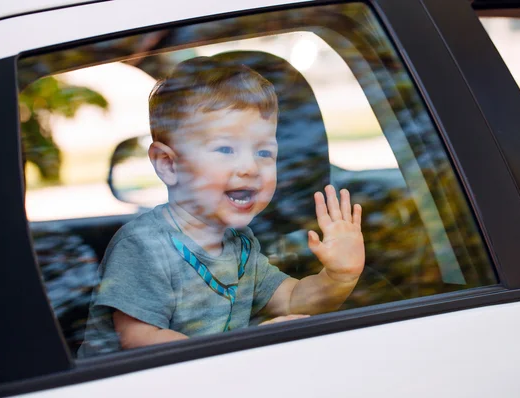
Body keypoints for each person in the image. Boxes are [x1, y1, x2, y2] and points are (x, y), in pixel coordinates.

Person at [78, 57, 365, 357]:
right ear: (169, 164)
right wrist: (247, 347)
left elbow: (293, 299)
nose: (250, 167)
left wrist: (338, 276)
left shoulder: (239, 246)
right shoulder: (143, 245)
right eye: (226, 149)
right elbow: (139, 338)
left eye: (264, 152)